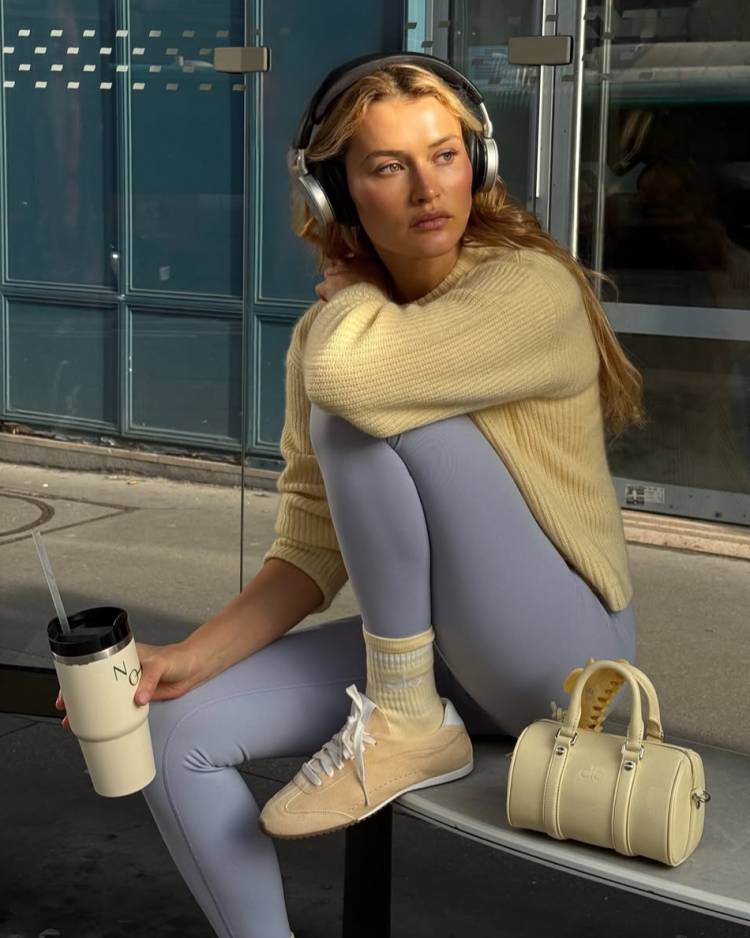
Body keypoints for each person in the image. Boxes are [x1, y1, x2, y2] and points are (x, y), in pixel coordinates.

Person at [56, 53, 646, 938]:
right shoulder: (338, 333)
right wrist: (190, 658)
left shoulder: (528, 289)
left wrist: (353, 303)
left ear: (478, 163)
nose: (428, 189)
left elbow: (353, 383)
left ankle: (405, 718)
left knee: (357, 417)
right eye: (388, 167)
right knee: (174, 732)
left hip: (565, 662)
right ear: (336, 193)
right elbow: (311, 546)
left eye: (445, 155)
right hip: (439, 658)